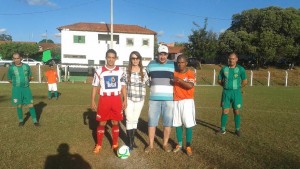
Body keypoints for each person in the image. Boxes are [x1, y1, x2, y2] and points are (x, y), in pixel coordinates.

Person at [91, 49, 127, 153]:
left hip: (116, 99)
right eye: (109, 57)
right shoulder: (99, 70)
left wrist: (125, 99)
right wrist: (93, 100)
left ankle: (115, 143)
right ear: (106, 58)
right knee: (102, 123)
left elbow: (124, 86)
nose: (111, 59)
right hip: (104, 99)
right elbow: (94, 86)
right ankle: (99, 144)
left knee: (115, 122)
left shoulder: (120, 71)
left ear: (115, 58)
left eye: (113, 57)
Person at [145, 45, 175, 153]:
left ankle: (165, 144)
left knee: (167, 123)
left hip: (169, 99)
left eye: (165, 54)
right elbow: (144, 75)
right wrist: (148, 82)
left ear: (167, 55)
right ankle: (151, 145)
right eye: (160, 54)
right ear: (157, 54)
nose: (162, 57)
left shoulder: (173, 64)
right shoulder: (151, 64)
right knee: (152, 123)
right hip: (154, 99)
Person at [217, 52, 247, 136]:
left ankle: (237, 129)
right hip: (226, 92)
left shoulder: (241, 69)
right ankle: (223, 129)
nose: (231, 60)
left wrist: (238, 88)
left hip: (236, 93)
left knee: (236, 111)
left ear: (236, 59)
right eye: (230, 58)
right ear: (228, 59)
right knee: (225, 111)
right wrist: (225, 85)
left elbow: (245, 81)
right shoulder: (224, 69)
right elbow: (219, 80)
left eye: (233, 59)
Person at [124, 51, 149, 151]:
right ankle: (130, 143)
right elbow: (123, 86)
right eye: (133, 58)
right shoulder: (126, 70)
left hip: (140, 100)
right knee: (129, 119)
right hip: (129, 99)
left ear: (139, 59)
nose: (135, 60)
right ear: (130, 59)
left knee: (135, 120)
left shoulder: (143, 71)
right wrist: (124, 99)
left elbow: (149, 83)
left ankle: (132, 140)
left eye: (137, 58)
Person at [172, 55, 196, 156]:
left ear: (186, 63)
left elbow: (190, 86)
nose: (180, 64)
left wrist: (178, 80)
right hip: (176, 101)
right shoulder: (174, 73)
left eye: (182, 62)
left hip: (187, 102)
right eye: (178, 62)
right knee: (177, 123)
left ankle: (188, 145)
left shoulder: (190, 73)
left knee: (188, 124)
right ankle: (180, 144)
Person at [7, 53, 40, 127]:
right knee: (19, 105)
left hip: (26, 89)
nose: (16, 60)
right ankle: (21, 121)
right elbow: (9, 79)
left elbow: (30, 77)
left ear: (21, 58)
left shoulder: (26, 66)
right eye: (14, 58)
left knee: (31, 105)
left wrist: (26, 82)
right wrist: (16, 84)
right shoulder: (11, 68)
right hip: (17, 90)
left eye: (17, 58)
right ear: (13, 59)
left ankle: (35, 121)